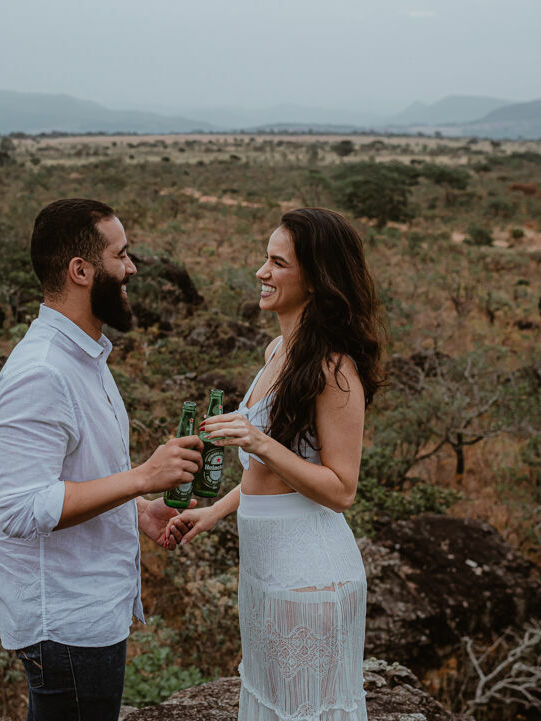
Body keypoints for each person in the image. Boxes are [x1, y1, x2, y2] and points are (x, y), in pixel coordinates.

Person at [0, 198, 203, 721]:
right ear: (80, 271)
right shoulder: (41, 373)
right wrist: (144, 476)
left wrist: (140, 508)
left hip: (88, 613)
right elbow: (17, 507)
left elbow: (76, 479)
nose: (131, 269)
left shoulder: (84, 355)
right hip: (65, 625)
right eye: (120, 256)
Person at [166, 208, 385, 721]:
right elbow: (274, 475)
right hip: (264, 572)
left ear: (315, 279)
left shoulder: (335, 369)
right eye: (265, 259)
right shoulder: (277, 350)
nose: (261, 272)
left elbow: (340, 489)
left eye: (277, 262)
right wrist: (215, 511)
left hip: (309, 578)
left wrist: (258, 441)